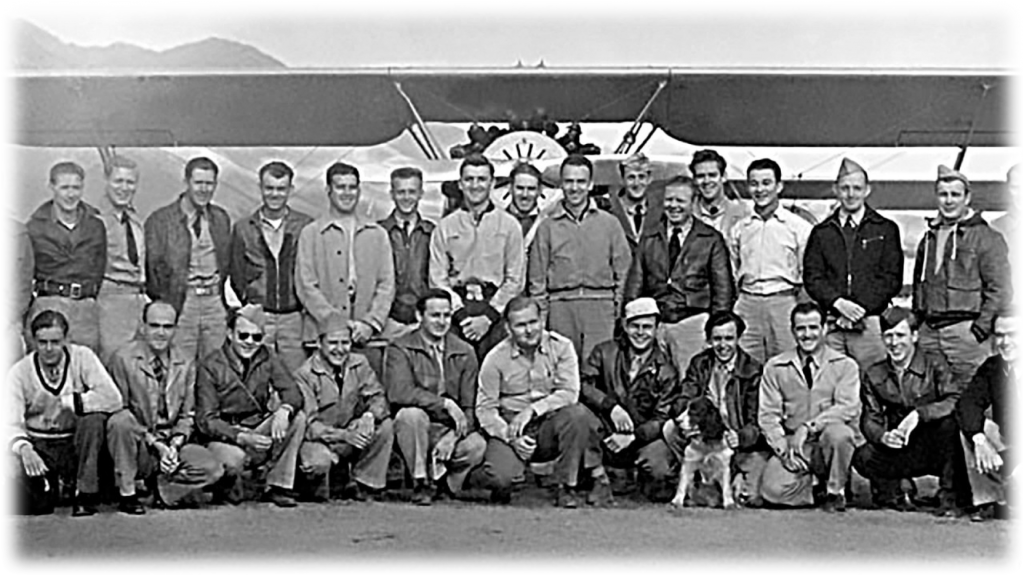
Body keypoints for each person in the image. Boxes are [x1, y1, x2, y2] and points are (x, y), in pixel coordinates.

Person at [473, 296, 608, 509]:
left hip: (549, 425)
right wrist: (510, 436)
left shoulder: (562, 347)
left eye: (533, 322)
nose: (529, 330)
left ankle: (566, 486)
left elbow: (569, 392)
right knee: (501, 478)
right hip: (511, 426)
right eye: (520, 325)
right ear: (508, 328)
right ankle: (486, 480)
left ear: (542, 320)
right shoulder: (495, 358)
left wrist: (532, 410)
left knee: (577, 414)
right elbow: (485, 409)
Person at [105, 301, 225, 514]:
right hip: (139, 442)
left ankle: (162, 489)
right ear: (143, 327)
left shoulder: (186, 362)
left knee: (213, 469)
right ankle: (128, 493)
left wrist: (175, 445)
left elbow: (188, 415)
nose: (161, 333)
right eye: (154, 325)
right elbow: (118, 410)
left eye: (167, 327)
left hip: (171, 441)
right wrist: (156, 444)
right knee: (119, 422)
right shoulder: (122, 359)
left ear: (176, 329)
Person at [1, 311, 122, 516]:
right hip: (40, 444)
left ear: (66, 339)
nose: (49, 349)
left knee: (93, 420)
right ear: (33, 341)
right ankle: (54, 489)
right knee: (15, 470)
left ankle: (85, 493)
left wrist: (72, 402)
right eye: (42, 342)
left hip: (76, 443)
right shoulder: (20, 372)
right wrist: (25, 449)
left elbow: (113, 398)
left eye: (55, 342)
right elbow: (9, 424)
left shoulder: (83, 357)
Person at [852, 307, 968, 515]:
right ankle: (893, 492)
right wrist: (882, 436)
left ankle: (950, 495)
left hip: (933, 443)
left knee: (950, 426)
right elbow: (870, 418)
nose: (894, 343)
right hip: (900, 445)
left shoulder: (935, 363)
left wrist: (920, 414)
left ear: (914, 336)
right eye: (888, 336)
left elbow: (955, 399)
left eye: (900, 335)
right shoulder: (874, 373)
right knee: (864, 456)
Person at [194, 305, 307, 508]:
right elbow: (206, 420)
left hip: (257, 427)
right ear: (230, 334)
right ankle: (227, 487)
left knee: (297, 419)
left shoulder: (268, 356)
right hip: (226, 434)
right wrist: (241, 436)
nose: (249, 342)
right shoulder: (211, 365)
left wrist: (285, 409)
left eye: (256, 337)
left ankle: (278, 485)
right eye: (243, 335)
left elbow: (293, 392)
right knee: (235, 459)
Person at [913, 165, 1012, 389]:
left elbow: (999, 290)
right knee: (934, 395)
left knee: (977, 396)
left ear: (967, 198)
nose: (949, 201)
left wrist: (979, 330)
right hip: (930, 332)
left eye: (955, 194)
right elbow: (919, 285)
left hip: (966, 332)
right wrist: (918, 323)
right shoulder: (928, 237)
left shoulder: (987, 238)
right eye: (943, 194)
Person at [384, 289, 486, 505]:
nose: (442, 322)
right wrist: (444, 403)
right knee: (410, 416)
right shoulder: (400, 347)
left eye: (446, 315)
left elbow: (470, 406)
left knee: (477, 445)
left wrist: (454, 436)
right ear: (420, 316)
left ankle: (447, 486)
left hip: (448, 428)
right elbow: (399, 392)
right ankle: (420, 482)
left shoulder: (465, 351)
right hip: (415, 428)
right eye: (435, 315)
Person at [624, 175, 735, 373]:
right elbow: (635, 285)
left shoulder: (711, 239)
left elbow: (723, 291)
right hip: (655, 325)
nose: (673, 206)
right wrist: (632, 321)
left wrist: (714, 330)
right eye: (669, 200)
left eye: (680, 200)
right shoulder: (649, 238)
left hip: (694, 324)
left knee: (690, 383)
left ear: (693, 202)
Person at [758, 302, 861, 513]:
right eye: (801, 328)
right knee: (771, 491)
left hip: (828, 443)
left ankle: (836, 491)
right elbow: (768, 415)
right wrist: (783, 450)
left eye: (813, 327)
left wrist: (808, 427)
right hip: (796, 446)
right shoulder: (776, 367)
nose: (807, 334)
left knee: (840, 434)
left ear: (824, 329)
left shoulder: (845, 365)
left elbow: (847, 407)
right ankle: (816, 488)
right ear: (793, 331)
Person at [295, 162, 395, 377]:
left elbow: (387, 284)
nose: (347, 193)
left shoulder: (377, 234)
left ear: (359, 190)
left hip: (368, 337)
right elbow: (306, 286)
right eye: (341, 187)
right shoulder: (311, 234)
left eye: (352, 187)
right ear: (328, 190)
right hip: (322, 338)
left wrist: (371, 323)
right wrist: (336, 324)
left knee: (370, 398)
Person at [528, 155, 632, 362]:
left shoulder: (610, 224)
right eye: (569, 181)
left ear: (591, 184)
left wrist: (617, 311)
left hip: (601, 307)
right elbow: (537, 279)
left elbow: (624, 271)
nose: (574, 188)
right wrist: (542, 316)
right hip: (560, 307)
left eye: (580, 181)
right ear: (561, 184)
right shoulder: (547, 227)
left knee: (599, 371)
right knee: (564, 371)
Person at [804, 158, 904, 371]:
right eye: (845, 188)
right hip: (832, 323)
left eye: (857, 188)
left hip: (870, 324)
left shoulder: (885, 229)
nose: (851, 194)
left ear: (867, 190)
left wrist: (858, 310)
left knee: (874, 383)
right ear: (835, 190)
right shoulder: (822, 233)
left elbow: (891, 278)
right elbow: (813, 278)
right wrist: (839, 304)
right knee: (831, 385)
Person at [580, 298, 680, 501]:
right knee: (578, 416)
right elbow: (582, 386)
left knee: (658, 469)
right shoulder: (604, 351)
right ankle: (599, 476)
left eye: (647, 327)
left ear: (657, 329)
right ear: (625, 325)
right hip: (605, 429)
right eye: (635, 326)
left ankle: (634, 477)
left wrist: (633, 436)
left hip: (642, 437)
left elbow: (662, 417)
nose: (641, 333)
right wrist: (611, 407)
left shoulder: (667, 370)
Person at [666, 310, 770, 507]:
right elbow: (685, 395)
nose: (723, 345)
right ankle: (695, 476)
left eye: (729, 339)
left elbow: (758, 421)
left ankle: (733, 474)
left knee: (751, 497)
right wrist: (685, 416)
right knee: (670, 428)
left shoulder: (754, 371)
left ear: (739, 338)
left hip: (735, 443)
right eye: (717, 339)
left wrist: (741, 437)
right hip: (702, 434)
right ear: (708, 340)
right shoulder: (699, 363)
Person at [429, 155, 525, 361]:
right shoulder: (445, 227)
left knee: (497, 377)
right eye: (469, 179)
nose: (475, 185)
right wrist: (461, 316)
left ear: (492, 183)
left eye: (481, 179)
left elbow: (515, 279)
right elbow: (437, 278)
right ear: (460, 184)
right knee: (458, 376)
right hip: (457, 313)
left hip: (496, 312)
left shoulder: (509, 226)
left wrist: (489, 317)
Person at [295, 312, 394, 503]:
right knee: (318, 462)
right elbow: (310, 426)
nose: (340, 350)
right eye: (333, 343)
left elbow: (378, 397)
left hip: (350, 433)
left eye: (345, 343)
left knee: (385, 426)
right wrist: (344, 436)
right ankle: (316, 485)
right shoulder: (304, 375)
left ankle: (365, 484)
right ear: (319, 343)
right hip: (321, 440)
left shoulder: (360, 363)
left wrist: (369, 416)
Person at [229, 161, 314, 374]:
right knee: (257, 372)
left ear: (290, 190)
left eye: (281, 189)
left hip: (294, 318)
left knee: (298, 375)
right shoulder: (243, 228)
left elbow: (312, 271)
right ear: (260, 188)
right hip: (259, 316)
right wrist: (252, 302)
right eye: (269, 188)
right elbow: (237, 273)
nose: (274, 194)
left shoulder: (304, 225)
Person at [145, 157, 232, 363]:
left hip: (214, 303)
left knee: (216, 366)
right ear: (186, 183)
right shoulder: (161, 220)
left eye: (209, 184)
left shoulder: (221, 218)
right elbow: (152, 271)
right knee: (180, 365)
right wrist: (169, 302)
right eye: (199, 183)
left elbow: (228, 263)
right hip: (181, 303)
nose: (204, 189)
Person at [729, 159, 814, 366]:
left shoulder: (798, 228)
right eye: (754, 184)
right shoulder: (740, 229)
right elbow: (733, 269)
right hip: (748, 302)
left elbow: (807, 273)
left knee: (789, 363)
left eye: (766, 183)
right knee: (746, 364)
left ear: (779, 186)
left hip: (784, 301)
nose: (760, 189)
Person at [27, 162, 107, 353]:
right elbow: (27, 271)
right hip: (49, 303)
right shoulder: (34, 227)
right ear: (52, 187)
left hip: (85, 309)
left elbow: (99, 267)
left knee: (85, 366)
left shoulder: (95, 225)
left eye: (76, 188)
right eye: (64, 188)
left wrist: (87, 297)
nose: (71, 194)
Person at [956, 305, 1023, 522]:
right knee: (974, 428)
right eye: (999, 335)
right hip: (1011, 445)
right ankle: (992, 502)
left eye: (1013, 335)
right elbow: (967, 403)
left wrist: (1002, 460)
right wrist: (979, 440)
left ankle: (1014, 490)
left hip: (1017, 457)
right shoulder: (993, 367)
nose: (1005, 342)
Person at [96, 156, 148, 364]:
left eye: (130, 182)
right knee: (114, 362)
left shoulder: (136, 220)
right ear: (106, 182)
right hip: (111, 301)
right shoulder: (97, 221)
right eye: (118, 181)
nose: (124, 188)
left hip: (139, 301)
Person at [378, 167, 435, 343]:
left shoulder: (432, 233)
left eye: (412, 192)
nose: (406, 197)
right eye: (401, 192)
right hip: (388, 322)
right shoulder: (378, 232)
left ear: (421, 194)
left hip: (424, 322)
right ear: (392, 194)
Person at [1, 171, 35, 395]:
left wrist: (5, 317)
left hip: (5, 326)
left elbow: (23, 283)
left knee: (8, 384)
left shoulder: (16, 233)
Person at [606, 153, 664, 254]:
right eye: (631, 177)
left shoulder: (661, 213)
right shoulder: (608, 211)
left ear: (649, 179)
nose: (636, 183)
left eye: (641, 177)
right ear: (622, 179)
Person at [690, 149, 751, 238]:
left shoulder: (743, 213)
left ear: (724, 177)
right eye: (701, 176)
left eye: (712, 175)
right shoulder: (686, 213)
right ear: (694, 180)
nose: (706, 181)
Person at [991, 162, 1022, 306]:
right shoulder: (994, 229)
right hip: (1007, 315)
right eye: (1016, 188)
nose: (1022, 194)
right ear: (1007, 188)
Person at [505, 161, 546, 247]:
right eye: (520, 188)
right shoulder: (496, 223)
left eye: (531, 189)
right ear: (510, 188)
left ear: (540, 190)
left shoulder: (548, 225)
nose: (525, 194)